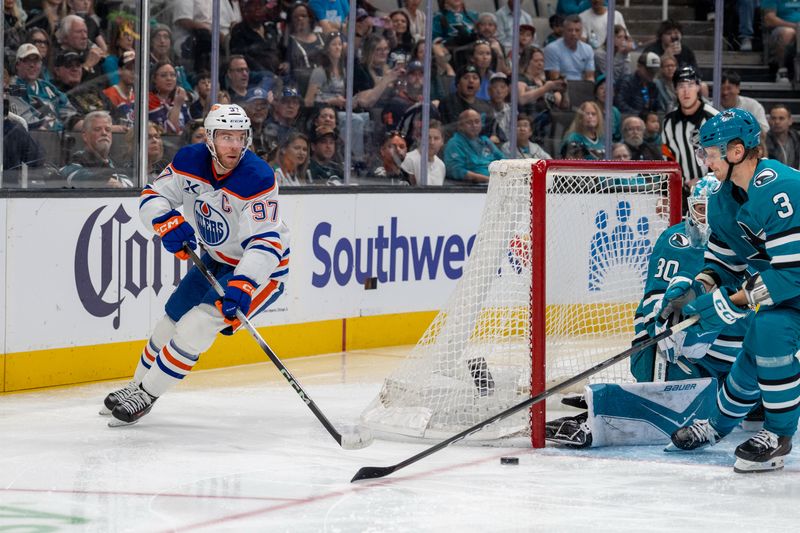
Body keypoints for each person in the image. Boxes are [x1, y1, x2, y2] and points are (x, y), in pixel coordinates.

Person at [101, 103, 290, 425]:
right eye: (225, 137)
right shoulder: (190, 160)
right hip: (215, 260)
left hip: (261, 271)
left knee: (198, 325)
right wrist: (164, 220)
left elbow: (266, 241)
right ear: (210, 138)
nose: (234, 145)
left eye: (240, 137)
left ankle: (147, 395)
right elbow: (153, 196)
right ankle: (136, 386)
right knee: (170, 321)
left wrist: (244, 282)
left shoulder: (257, 177)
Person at [546, 177, 748, 449]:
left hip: (729, 354)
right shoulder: (677, 241)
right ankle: (605, 412)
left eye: (716, 210)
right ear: (691, 208)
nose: (709, 219)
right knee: (684, 406)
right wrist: (665, 325)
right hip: (679, 353)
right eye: (702, 209)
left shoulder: (749, 243)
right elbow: (655, 302)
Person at [664, 108, 800, 473]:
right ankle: (716, 427)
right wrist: (697, 291)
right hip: (785, 296)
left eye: (710, 152)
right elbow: (725, 263)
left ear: (736, 151)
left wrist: (730, 301)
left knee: (771, 333)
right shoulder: (725, 199)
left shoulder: (782, 187)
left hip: (793, 286)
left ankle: (778, 436)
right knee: (756, 348)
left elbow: (792, 275)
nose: (705, 160)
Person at [662, 65, 718, 202]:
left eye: (691, 84)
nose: (686, 91)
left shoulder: (713, 119)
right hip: (681, 194)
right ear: (675, 89)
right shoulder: (668, 122)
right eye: (681, 86)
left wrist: (704, 181)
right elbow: (668, 159)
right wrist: (666, 192)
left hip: (714, 191)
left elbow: (723, 157)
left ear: (698, 87)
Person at [60, 110, 132, 187]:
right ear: (85, 136)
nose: (104, 133)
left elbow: (129, 184)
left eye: (108, 130)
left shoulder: (115, 164)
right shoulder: (76, 160)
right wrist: (104, 180)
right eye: (97, 129)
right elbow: (68, 173)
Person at [229, 0, 283, 90]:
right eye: (254, 5)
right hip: (254, 73)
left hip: (276, 72)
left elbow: (278, 51)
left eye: (261, 5)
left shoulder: (270, 29)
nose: (258, 9)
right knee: (268, 78)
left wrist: (284, 63)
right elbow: (241, 56)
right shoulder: (240, 30)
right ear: (246, 8)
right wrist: (265, 72)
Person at [443, 108, 505, 184]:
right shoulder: (455, 143)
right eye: (469, 122)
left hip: (495, 182)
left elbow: (504, 160)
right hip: (472, 186)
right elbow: (455, 170)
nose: (474, 125)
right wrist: (486, 179)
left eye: (477, 122)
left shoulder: (486, 141)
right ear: (460, 126)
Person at [543, 15, 594, 81]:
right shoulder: (552, 48)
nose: (573, 33)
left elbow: (590, 77)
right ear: (564, 31)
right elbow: (554, 78)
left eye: (577, 30)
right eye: (570, 30)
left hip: (581, 86)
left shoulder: (588, 49)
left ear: (581, 32)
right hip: (560, 86)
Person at [718, 70, 769, 135]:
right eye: (722, 89)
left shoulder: (753, 105)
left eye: (729, 88)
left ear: (738, 88)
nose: (725, 92)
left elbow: (764, 130)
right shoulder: (711, 107)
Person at [762, 0, 800, 82]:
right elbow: (769, 19)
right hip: (780, 29)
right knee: (788, 32)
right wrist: (796, 26)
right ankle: (782, 71)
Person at [401, 120, 446, 186]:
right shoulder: (409, 160)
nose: (432, 142)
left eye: (436, 138)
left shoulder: (441, 165)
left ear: (442, 141)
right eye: (428, 137)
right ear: (420, 139)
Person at [102, 49, 135, 129]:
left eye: (137, 69)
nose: (134, 72)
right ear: (119, 70)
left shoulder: (138, 97)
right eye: (129, 68)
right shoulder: (108, 94)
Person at [765, 104, 800, 169]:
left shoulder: (796, 138)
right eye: (773, 118)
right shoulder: (764, 140)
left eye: (781, 118)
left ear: (790, 121)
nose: (777, 122)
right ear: (769, 121)